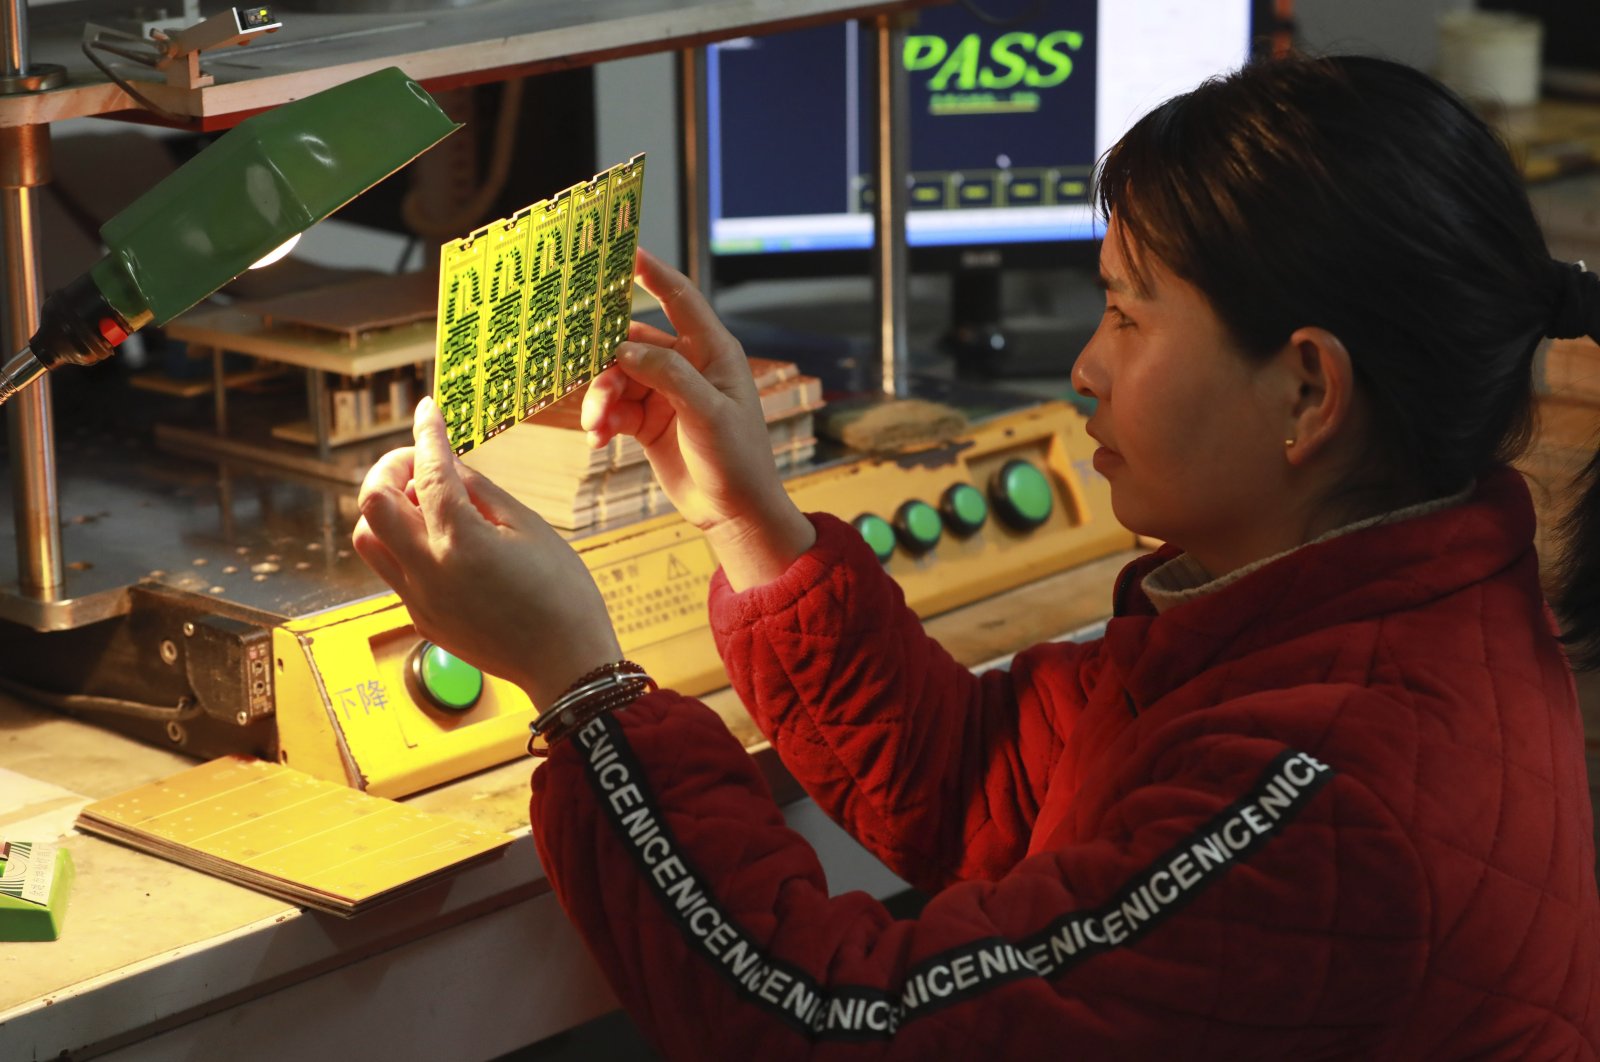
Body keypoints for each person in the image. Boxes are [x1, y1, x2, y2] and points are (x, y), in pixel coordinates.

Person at [353, 54, 1600, 1058]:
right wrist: (750, 520)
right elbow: (984, 795)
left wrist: (580, 686)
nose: (1085, 365)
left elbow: (828, 1018)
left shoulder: (1321, 788)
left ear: (1308, 391)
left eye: (1124, 313)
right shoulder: (1337, 605)